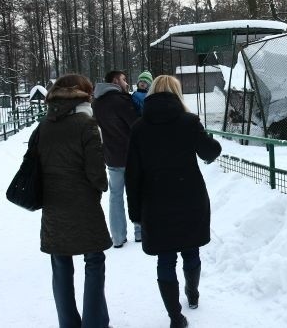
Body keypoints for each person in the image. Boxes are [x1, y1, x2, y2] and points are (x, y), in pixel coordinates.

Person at [125, 75, 221, 328]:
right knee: (191, 250)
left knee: (165, 259)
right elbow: (210, 151)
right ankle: (193, 293)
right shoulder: (189, 122)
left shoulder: (138, 128)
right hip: (190, 197)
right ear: (177, 94)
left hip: (155, 202)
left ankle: (175, 317)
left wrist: (135, 212)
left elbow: (132, 174)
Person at [38, 74, 112, 328]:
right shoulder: (86, 124)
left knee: (60, 265)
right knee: (94, 261)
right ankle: (95, 323)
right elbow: (97, 175)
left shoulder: (43, 126)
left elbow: (33, 165)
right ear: (81, 94)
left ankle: (68, 324)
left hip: (53, 207)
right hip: (84, 207)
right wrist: (101, 185)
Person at [92, 70, 141, 248]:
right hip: (131, 156)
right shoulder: (121, 101)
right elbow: (136, 126)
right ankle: (140, 232)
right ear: (115, 81)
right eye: (124, 80)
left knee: (115, 196)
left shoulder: (97, 103)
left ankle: (118, 237)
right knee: (135, 192)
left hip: (111, 156)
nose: (127, 83)